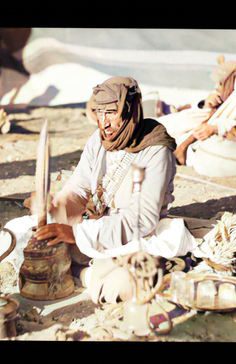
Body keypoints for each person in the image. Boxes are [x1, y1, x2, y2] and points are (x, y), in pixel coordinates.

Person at [24, 76, 199, 304]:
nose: (103, 123)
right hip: (94, 226)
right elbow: (78, 189)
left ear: (131, 111)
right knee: (28, 243)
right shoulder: (98, 141)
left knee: (125, 283)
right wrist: (56, 206)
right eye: (99, 112)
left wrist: (78, 234)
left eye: (111, 113)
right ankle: (82, 270)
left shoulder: (157, 150)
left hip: (136, 237)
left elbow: (141, 220)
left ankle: (81, 275)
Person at [146, 56, 236, 165]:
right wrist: (207, 105)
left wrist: (214, 126)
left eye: (221, 83)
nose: (217, 87)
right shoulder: (222, 97)